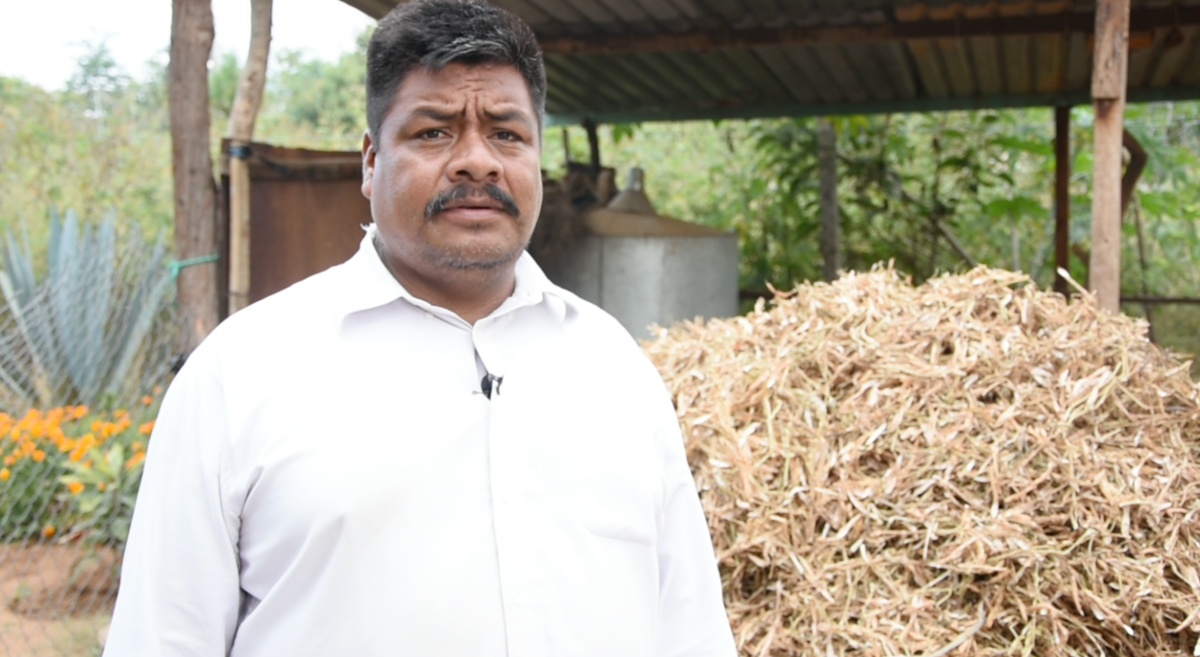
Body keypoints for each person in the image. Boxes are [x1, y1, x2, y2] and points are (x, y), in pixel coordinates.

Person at [103, 0, 736, 655]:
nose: (477, 162)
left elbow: (690, 627)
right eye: (434, 131)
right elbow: (162, 637)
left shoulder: (614, 369)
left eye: (507, 134)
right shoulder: (242, 374)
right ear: (371, 160)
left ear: (537, 160)